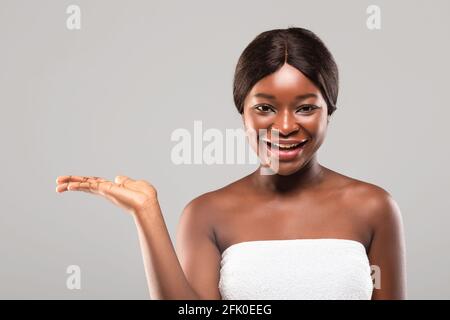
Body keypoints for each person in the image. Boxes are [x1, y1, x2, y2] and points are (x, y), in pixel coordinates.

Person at [55, 27, 407, 300]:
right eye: (265, 108)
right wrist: (146, 213)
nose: (285, 126)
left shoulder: (373, 208)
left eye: (305, 107)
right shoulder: (206, 213)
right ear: (243, 114)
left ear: (329, 112)